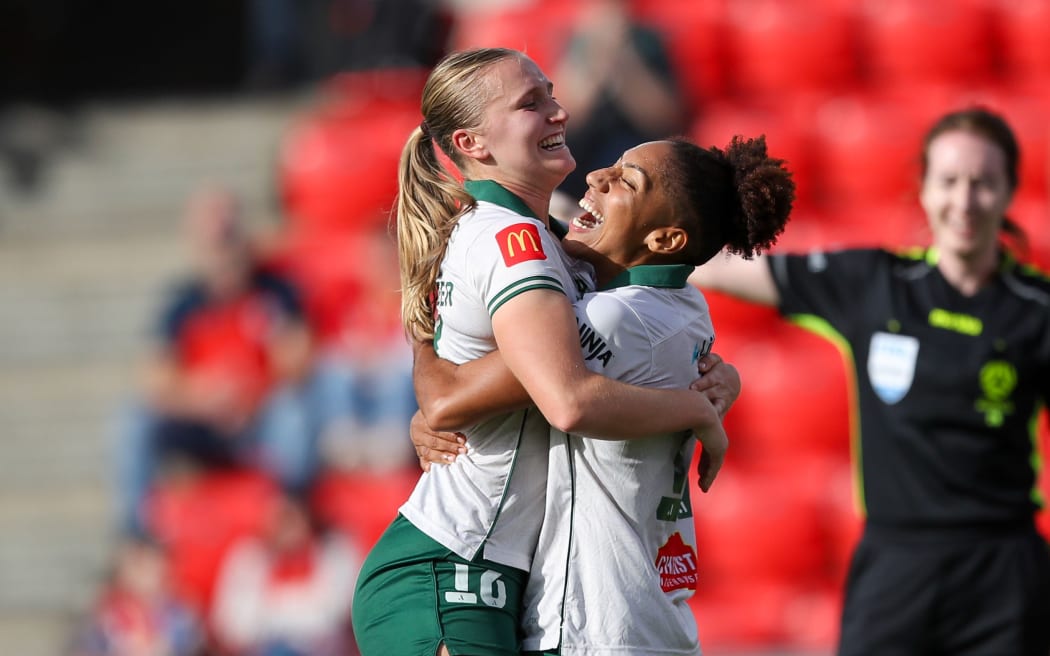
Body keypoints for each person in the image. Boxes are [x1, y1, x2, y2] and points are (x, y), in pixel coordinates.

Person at [350, 47, 730, 656]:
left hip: (491, 572)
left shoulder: (547, 239)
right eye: (532, 103)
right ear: (473, 143)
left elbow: (454, 394)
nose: (558, 111)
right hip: (453, 566)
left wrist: (718, 377)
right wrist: (695, 408)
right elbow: (561, 396)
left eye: (551, 93)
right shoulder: (517, 239)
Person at [411, 135, 793, 654]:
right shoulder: (682, 309)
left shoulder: (614, 320)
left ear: (664, 241)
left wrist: (420, 340)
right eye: (611, 165)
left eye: (626, 182)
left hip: (596, 626)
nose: (596, 177)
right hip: (647, 621)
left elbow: (452, 400)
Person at [689, 106, 1050, 655]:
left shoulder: (1037, 310)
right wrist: (601, 233)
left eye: (983, 182)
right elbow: (716, 269)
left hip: (1004, 572)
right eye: (949, 180)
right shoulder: (873, 283)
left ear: (1008, 191)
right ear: (923, 188)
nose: (965, 199)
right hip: (895, 566)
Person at [114, 185, 319, 537]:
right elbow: (155, 378)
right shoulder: (182, 305)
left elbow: (298, 359)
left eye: (226, 236)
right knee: (134, 423)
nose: (220, 250)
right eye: (211, 240)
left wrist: (249, 394)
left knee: (293, 415)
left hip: (259, 420)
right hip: (204, 424)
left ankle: (295, 513)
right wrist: (200, 397)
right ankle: (138, 536)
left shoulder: (275, 292)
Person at [551, 0, 687, 203]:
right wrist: (597, 60)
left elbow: (662, 116)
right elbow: (569, 115)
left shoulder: (648, 42)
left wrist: (625, 63)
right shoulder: (576, 43)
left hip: (632, 142)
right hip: (585, 144)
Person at [210, 487, 362, 656]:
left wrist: (278, 615)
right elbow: (234, 628)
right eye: (279, 520)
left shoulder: (336, 551)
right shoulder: (248, 558)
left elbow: (334, 617)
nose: (285, 529)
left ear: (307, 517)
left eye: (291, 519)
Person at [70, 535, 205, 656]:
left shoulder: (181, 613)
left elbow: (188, 645)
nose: (142, 575)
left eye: (148, 566)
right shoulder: (103, 614)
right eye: (135, 565)